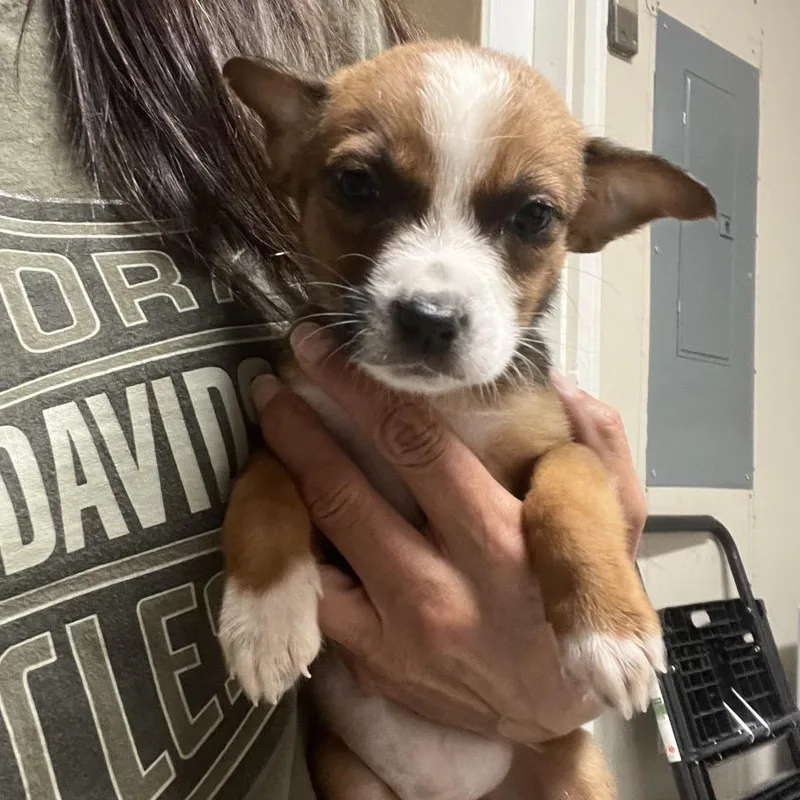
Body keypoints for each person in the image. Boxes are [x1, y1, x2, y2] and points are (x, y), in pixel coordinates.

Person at [0, 1, 646, 798]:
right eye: (360, 186)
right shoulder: (310, 366)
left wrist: (589, 581)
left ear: (597, 215)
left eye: (531, 217)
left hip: (538, 767)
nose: (434, 288)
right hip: (352, 760)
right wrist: (266, 564)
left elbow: (571, 467)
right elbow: (276, 473)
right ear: (286, 144)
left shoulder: (329, 21)